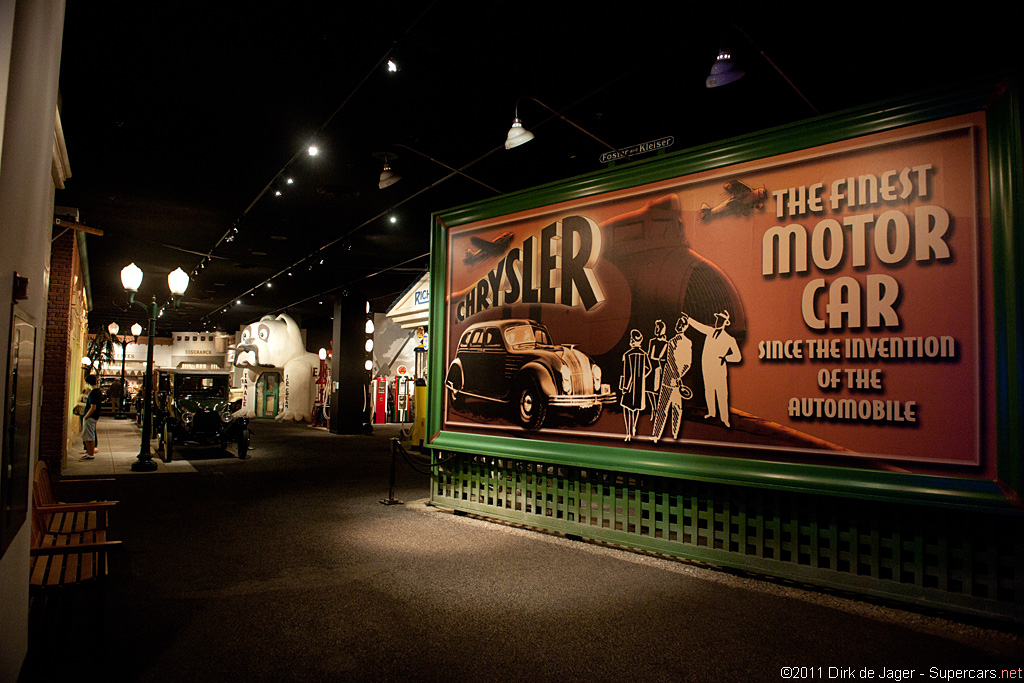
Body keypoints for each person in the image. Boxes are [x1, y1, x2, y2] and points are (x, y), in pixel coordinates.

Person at [687, 309, 742, 428]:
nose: (718, 322)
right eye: (717, 319)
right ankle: (711, 413)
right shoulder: (710, 332)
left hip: (719, 370)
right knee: (709, 391)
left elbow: (737, 357)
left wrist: (725, 358)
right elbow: (699, 326)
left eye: (721, 320)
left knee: (721, 393)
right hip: (707, 368)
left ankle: (724, 419)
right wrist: (688, 319)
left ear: (725, 323)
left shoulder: (729, 339)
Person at [619, 329, 650, 442]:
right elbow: (649, 368)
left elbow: (626, 372)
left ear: (632, 341)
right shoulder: (644, 354)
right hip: (639, 385)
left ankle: (628, 432)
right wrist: (642, 377)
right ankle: (634, 427)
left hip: (629, 386)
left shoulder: (627, 355)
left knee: (627, 408)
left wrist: (624, 387)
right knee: (636, 408)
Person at [81, 374, 104, 460]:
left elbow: (93, 407)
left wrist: (86, 416)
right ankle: (90, 453)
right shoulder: (98, 391)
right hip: (94, 417)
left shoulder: (93, 393)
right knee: (90, 435)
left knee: (88, 436)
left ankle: (90, 453)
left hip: (90, 417)